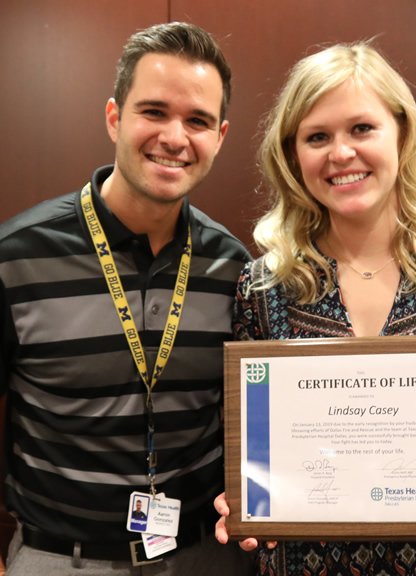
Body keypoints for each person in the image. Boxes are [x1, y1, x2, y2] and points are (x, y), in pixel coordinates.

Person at [214, 42, 416, 576]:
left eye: (361, 128)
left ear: (402, 134)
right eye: (317, 137)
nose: (340, 153)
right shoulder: (262, 287)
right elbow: (252, 434)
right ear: (294, 156)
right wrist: (247, 493)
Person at [0, 21, 254, 576]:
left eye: (198, 121)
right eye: (154, 112)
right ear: (115, 116)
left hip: (204, 558)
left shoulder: (235, 268)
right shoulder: (15, 257)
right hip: (58, 560)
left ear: (220, 136)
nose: (174, 137)